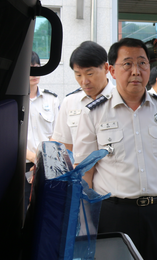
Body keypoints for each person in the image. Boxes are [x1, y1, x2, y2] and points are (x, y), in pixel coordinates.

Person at [74, 38, 157, 260]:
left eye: (142, 63)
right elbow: (85, 171)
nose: (136, 71)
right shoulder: (94, 113)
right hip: (113, 213)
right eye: (127, 64)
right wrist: (86, 219)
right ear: (112, 69)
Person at [51, 41, 115, 152]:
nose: (84, 81)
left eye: (90, 74)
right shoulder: (70, 102)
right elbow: (65, 146)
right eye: (78, 75)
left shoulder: (121, 99)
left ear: (106, 68)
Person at [25, 51, 59, 210]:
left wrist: (42, 160)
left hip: (47, 165)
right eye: (30, 68)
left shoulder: (51, 99)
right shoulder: (13, 101)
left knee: (47, 212)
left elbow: (57, 134)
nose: (35, 72)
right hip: (23, 167)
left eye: (37, 67)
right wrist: (35, 159)